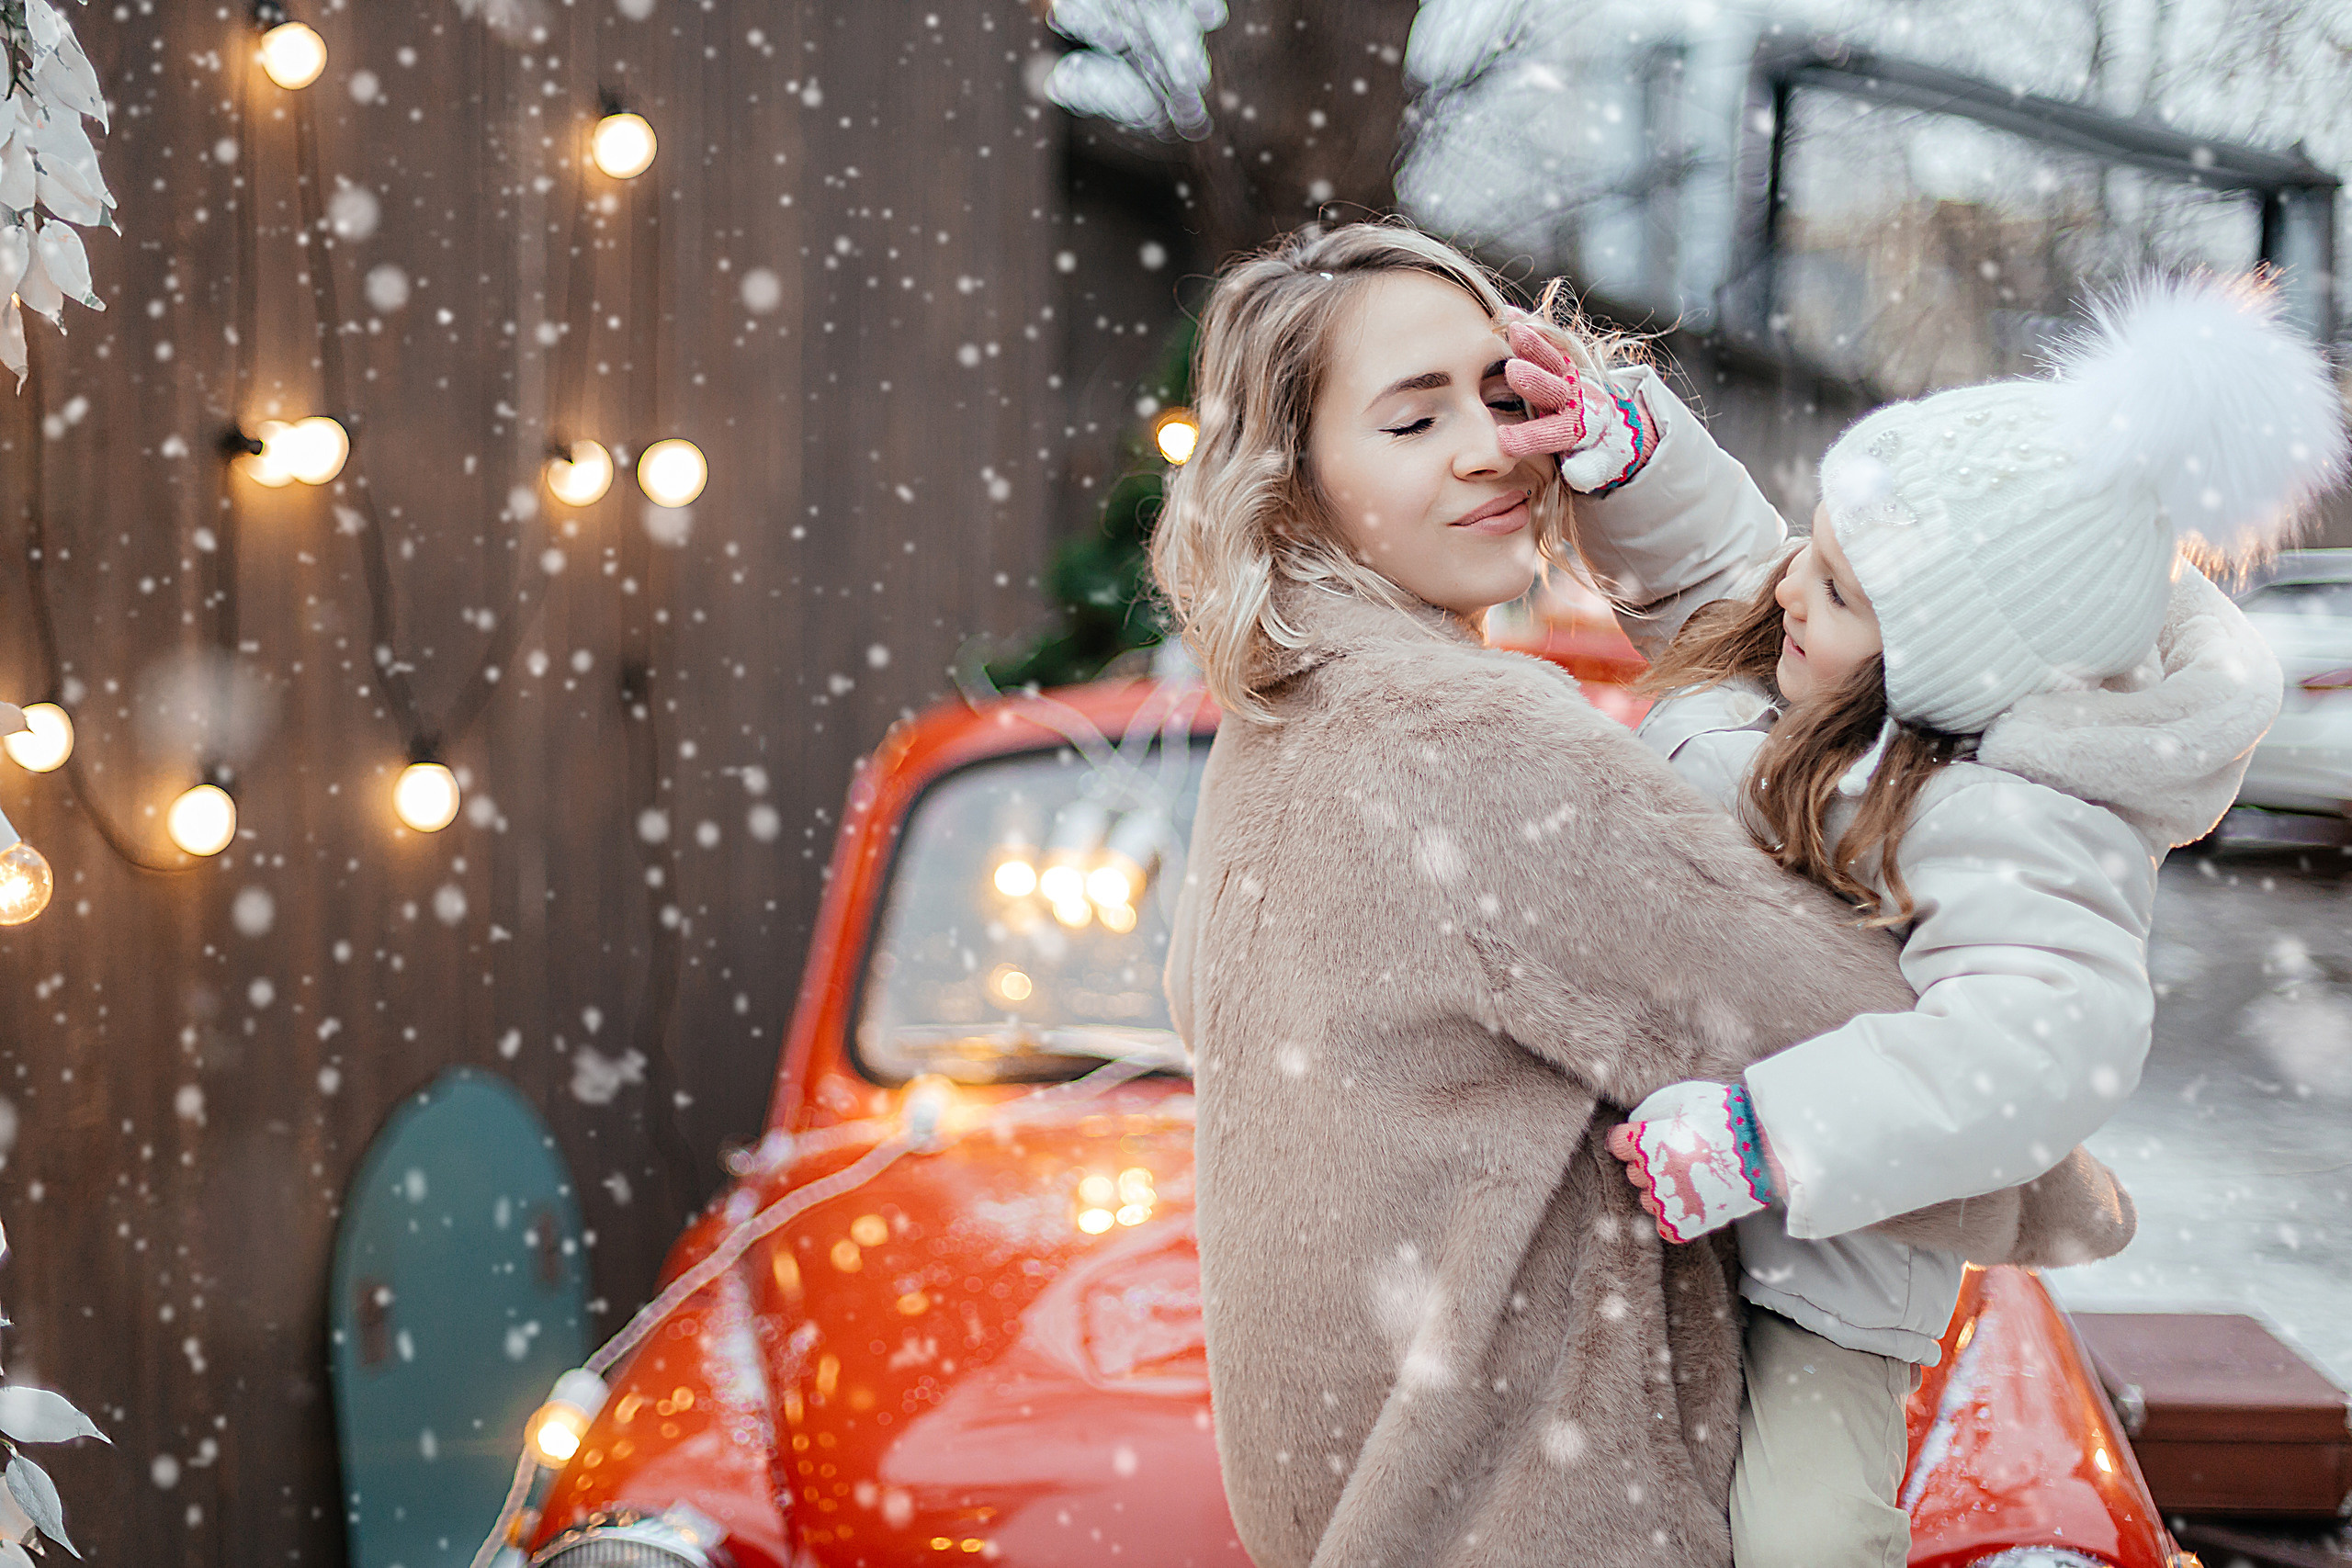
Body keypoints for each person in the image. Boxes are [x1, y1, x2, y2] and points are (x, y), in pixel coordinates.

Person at [1154, 220, 2132, 1568]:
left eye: (1500, 395)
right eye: (1410, 419)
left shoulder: (1282, 718)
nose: (1489, 446)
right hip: (1545, 1514)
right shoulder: (1464, 740)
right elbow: (1814, 1018)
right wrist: (2063, 1186)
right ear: (1296, 485)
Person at [1492, 273, 2338, 1565]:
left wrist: (1769, 1135)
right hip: (1645, 1174)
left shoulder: (2019, 819)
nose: (1789, 588)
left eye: (1832, 586)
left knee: (1802, 1531)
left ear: (1938, 669)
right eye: (1816, 547)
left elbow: (2036, 1046)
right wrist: (1634, 460)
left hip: (1830, 1262)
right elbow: (1728, 564)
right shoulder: (1822, 667)